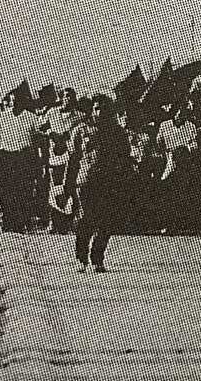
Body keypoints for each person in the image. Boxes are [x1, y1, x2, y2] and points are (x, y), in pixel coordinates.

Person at [65, 95, 131, 273]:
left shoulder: (118, 133)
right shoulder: (81, 130)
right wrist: (67, 186)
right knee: (85, 219)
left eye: (104, 108)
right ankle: (81, 257)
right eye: (96, 108)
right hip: (86, 181)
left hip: (109, 181)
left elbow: (124, 158)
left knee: (107, 222)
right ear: (92, 110)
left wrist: (125, 182)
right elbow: (73, 159)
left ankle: (97, 258)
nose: (100, 112)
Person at [0, 92, 41, 233]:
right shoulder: (2, 116)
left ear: (23, 102)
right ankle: (8, 221)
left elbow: (37, 138)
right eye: (12, 100)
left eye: (17, 101)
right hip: (6, 158)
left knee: (24, 190)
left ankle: (22, 222)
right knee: (7, 190)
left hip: (24, 158)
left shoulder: (31, 117)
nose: (14, 103)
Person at [40, 88, 84, 234]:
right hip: (55, 156)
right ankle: (54, 222)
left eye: (71, 97)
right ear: (61, 98)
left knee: (69, 188)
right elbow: (40, 127)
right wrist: (51, 133)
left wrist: (70, 138)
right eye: (66, 97)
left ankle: (69, 222)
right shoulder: (52, 113)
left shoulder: (79, 116)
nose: (68, 99)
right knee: (54, 188)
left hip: (71, 157)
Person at [155, 103, 198, 233]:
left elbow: (194, 145)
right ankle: (166, 224)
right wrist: (168, 154)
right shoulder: (165, 125)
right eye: (180, 112)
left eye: (185, 113)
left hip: (185, 163)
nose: (182, 115)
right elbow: (159, 143)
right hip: (168, 161)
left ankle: (179, 224)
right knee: (167, 193)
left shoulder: (191, 126)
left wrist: (185, 150)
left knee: (181, 194)